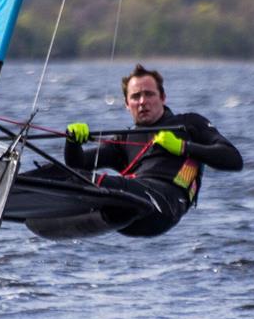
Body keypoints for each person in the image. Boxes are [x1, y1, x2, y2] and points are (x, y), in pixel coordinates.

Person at [64, 63, 243, 236]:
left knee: (93, 182)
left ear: (163, 98)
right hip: (129, 213)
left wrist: (182, 147)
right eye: (135, 97)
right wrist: (72, 141)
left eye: (149, 94)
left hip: (166, 206)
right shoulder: (124, 140)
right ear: (127, 103)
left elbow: (234, 159)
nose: (142, 102)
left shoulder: (188, 124)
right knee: (65, 175)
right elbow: (76, 165)